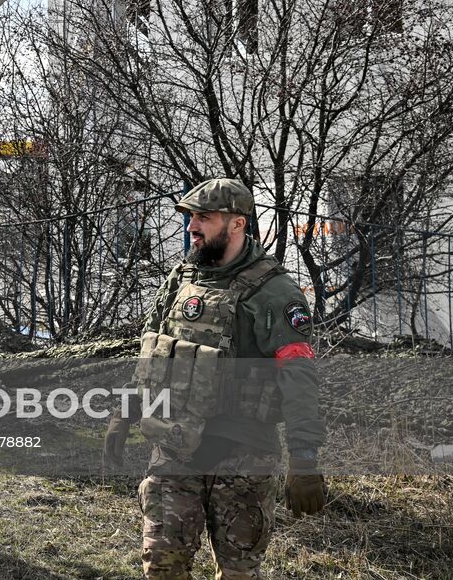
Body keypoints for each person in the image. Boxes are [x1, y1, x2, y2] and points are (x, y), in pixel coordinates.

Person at [105, 178, 327, 579]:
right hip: (175, 448)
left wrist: (304, 457)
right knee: (162, 568)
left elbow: (299, 377)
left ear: (238, 223)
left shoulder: (274, 293)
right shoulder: (180, 280)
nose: (192, 226)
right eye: (191, 217)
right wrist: (125, 411)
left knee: (239, 572)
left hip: (241, 457)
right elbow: (151, 354)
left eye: (203, 218)